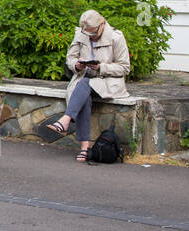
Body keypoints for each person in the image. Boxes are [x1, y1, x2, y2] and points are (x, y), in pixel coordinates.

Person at [37, 9, 131, 161]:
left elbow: (125, 67)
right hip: (84, 79)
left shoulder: (116, 37)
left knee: (85, 84)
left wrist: (101, 67)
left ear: (102, 24)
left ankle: (65, 120)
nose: (90, 36)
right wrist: (77, 66)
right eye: (87, 34)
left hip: (107, 82)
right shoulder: (81, 33)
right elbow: (71, 58)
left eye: (93, 33)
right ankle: (84, 149)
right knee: (84, 95)